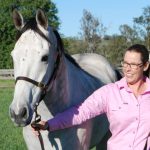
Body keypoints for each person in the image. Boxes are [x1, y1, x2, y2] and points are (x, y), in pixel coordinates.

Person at [32, 44, 150, 150]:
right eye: (125, 63)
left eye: (133, 64)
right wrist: (49, 124)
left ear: (145, 66)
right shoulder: (110, 92)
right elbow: (81, 112)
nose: (127, 69)